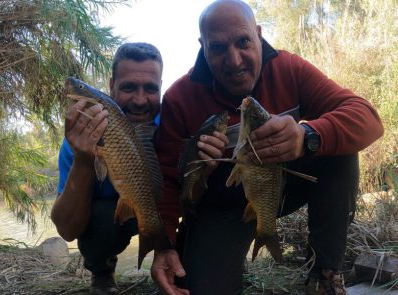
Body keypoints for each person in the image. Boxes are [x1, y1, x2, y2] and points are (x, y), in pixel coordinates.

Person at [150, 1, 384, 295]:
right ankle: (201, 246)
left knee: (339, 150)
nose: (234, 61)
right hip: (220, 204)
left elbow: (367, 117)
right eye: (218, 48)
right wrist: (164, 245)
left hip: (278, 187)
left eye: (243, 42)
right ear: (203, 46)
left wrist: (307, 135)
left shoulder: (288, 68)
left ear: (258, 35)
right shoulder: (180, 98)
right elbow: (168, 181)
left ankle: (325, 273)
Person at [51, 42, 164, 295]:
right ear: (111, 86)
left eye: (150, 88)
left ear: (161, 88)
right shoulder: (79, 137)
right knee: (101, 219)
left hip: (162, 206)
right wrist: (84, 159)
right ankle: (102, 272)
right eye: (128, 87)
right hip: (114, 217)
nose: (139, 99)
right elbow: (67, 230)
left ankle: (181, 255)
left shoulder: (173, 123)